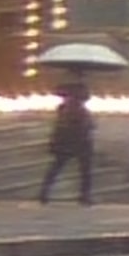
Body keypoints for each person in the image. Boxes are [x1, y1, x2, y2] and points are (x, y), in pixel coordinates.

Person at [45, 66, 103, 205]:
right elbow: (82, 124)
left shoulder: (65, 107)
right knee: (82, 170)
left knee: (60, 167)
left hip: (70, 140)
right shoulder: (73, 107)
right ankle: (84, 196)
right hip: (77, 140)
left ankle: (45, 193)